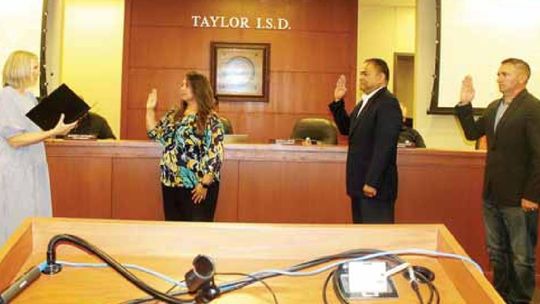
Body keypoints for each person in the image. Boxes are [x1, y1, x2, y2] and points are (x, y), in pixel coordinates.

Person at [455, 58, 540, 304]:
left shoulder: (533, 109)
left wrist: (532, 195)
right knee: (496, 252)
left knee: (521, 256)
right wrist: (464, 104)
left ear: (522, 78)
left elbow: (539, 156)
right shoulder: (493, 106)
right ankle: (499, 296)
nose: (499, 78)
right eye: (499, 74)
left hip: (519, 197)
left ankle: (520, 300)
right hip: (492, 194)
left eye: (505, 74)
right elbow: (472, 132)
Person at [0, 50, 77, 245]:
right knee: (16, 220)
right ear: (20, 69)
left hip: (35, 166)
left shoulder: (29, 97)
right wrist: (51, 132)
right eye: (34, 68)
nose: (37, 72)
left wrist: (60, 129)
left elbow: (39, 133)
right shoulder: (6, 97)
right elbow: (15, 140)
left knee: (37, 216)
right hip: (16, 170)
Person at [329, 58, 402, 224]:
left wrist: (372, 182)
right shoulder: (365, 102)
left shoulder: (387, 103)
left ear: (381, 77)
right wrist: (338, 102)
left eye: (365, 73)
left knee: (377, 242)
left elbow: (385, 146)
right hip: (360, 185)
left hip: (375, 188)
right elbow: (346, 129)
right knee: (362, 239)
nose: (361, 77)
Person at [146, 71, 224, 222]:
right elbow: (155, 134)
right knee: (174, 233)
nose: (181, 88)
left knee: (196, 234)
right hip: (170, 182)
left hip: (197, 186)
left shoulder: (211, 119)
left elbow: (215, 154)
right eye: (181, 85)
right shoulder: (174, 115)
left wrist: (204, 184)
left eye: (186, 85)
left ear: (198, 88)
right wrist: (150, 109)